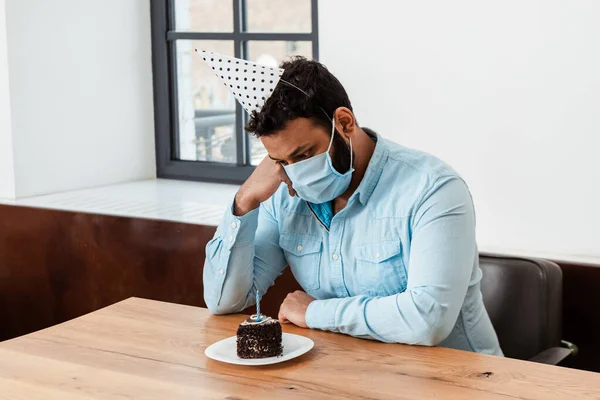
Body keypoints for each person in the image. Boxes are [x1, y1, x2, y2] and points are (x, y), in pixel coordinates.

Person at [202, 54, 503, 355]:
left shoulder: (433, 188)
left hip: (462, 381)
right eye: (281, 161)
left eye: (304, 155)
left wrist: (314, 312)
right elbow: (225, 301)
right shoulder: (284, 194)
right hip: (350, 374)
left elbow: (427, 319)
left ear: (344, 123)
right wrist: (245, 201)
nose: (295, 172)